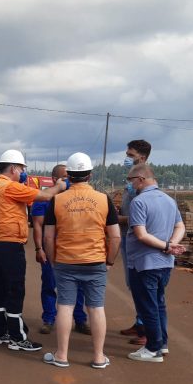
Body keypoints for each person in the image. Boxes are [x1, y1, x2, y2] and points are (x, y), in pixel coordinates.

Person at [42, 152, 121, 369]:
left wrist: (53, 260)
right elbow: (115, 236)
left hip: (66, 262)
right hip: (95, 261)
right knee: (96, 308)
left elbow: (48, 237)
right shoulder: (103, 200)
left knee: (65, 306)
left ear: (68, 175)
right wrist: (109, 261)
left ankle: (62, 355)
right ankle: (98, 357)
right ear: (90, 175)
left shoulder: (57, 200)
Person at [0, 149, 65, 352]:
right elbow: (45, 196)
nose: (21, 173)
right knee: (15, 289)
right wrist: (60, 185)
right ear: (12, 168)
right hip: (9, 245)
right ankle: (17, 338)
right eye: (20, 169)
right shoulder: (10, 187)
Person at [125, 164, 186, 363]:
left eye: (131, 180)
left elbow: (141, 234)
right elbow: (180, 226)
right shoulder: (169, 200)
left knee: (147, 307)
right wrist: (172, 245)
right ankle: (162, 343)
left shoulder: (139, 202)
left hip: (145, 262)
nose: (130, 185)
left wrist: (167, 245)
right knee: (159, 304)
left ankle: (152, 348)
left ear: (141, 179)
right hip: (165, 263)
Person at [31, 164, 89, 335]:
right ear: (55, 179)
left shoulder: (77, 198)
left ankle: (80, 320)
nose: (69, 179)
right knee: (50, 284)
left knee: (78, 286)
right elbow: (37, 225)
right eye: (65, 176)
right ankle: (49, 318)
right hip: (51, 250)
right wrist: (39, 248)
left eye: (69, 176)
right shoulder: (43, 199)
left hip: (72, 250)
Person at [119, 139, 151, 346]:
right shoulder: (133, 179)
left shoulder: (144, 179)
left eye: (130, 155)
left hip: (135, 235)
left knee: (140, 283)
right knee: (132, 282)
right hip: (127, 235)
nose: (127, 158)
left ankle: (146, 329)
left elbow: (140, 217)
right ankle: (139, 321)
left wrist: (117, 219)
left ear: (142, 157)